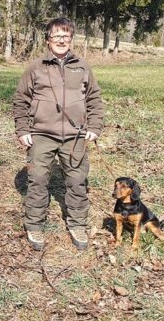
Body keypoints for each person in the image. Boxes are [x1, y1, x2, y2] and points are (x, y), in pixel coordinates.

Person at [13, 16, 104, 251]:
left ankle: (77, 224)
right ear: (48, 40)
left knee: (76, 180)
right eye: (57, 36)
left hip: (75, 136)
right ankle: (34, 225)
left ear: (71, 39)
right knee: (38, 180)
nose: (61, 40)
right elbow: (21, 100)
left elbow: (94, 98)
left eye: (66, 36)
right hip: (42, 134)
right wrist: (23, 130)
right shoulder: (36, 68)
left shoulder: (82, 66)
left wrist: (94, 127)